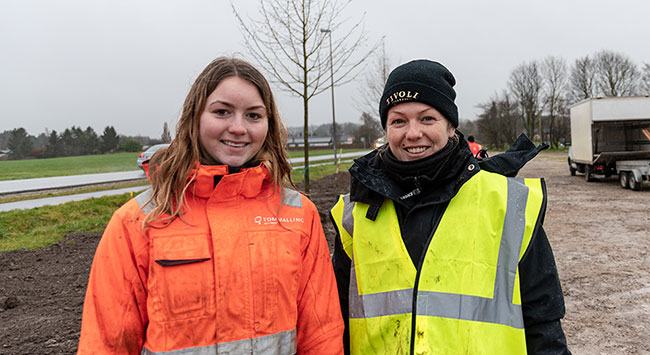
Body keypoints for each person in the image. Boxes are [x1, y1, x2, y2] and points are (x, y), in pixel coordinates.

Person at [78, 57, 344, 354]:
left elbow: (322, 334)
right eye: (222, 112)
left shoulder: (297, 216)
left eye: (254, 115)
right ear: (196, 117)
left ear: (269, 124)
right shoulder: (138, 222)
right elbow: (106, 342)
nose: (238, 128)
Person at [330, 59, 571, 354]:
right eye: (398, 121)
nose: (413, 132)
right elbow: (335, 321)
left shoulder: (508, 205)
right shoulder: (355, 213)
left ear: (451, 126)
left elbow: (543, 325)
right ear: (386, 129)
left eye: (427, 118)